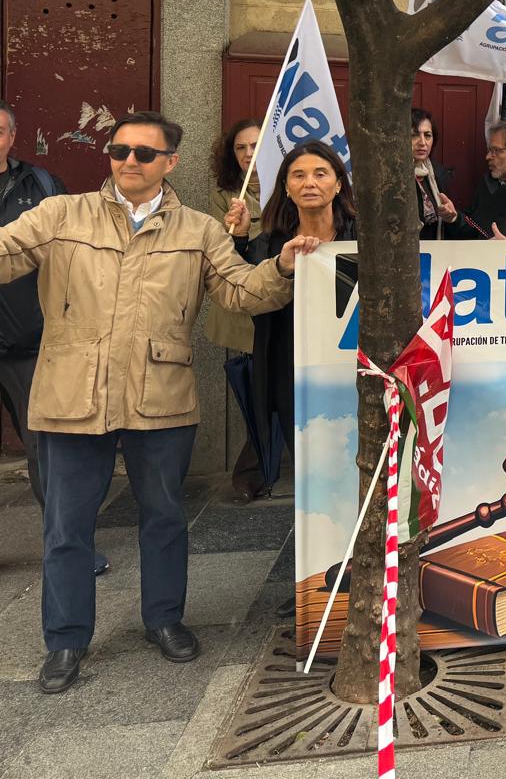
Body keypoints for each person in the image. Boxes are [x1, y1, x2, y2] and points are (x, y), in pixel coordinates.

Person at [0, 111, 318, 694]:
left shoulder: (199, 230)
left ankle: (164, 619)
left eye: (144, 153)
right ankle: (66, 638)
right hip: (72, 393)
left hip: (161, 395)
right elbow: (5, 252)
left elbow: (240, 291)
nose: (129, 161)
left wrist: (281, 267)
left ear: (171, 162)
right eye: (119, 150)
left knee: (166, 518)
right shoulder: (61, 214)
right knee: (67, 526)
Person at [0, 102, 108, 576]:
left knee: (47, 454)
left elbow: (71, 258)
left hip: (28, 343)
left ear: (12, 136)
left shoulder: (41, 186)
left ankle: (69, 550)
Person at [224, 141, 356, 497]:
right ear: (285, 187)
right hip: (291, 366)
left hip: (352, 366)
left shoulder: (361, 236)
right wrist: (239, 238)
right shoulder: (271, 243)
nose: (309, 182)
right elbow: (243, 288)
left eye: (320, 174)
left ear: (338, 184)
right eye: (298, 175)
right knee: (310, 466)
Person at [204, 118, 267, 501]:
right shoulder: (226, 196)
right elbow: (224, 251)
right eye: (241, 148)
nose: (248, 154)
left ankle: (259, 467)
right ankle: (252, 470)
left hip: (286, 304)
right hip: (245, 310)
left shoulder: (290, 186)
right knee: (255, 390)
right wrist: (241, 229)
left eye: (255, 146)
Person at [411, 108, 457, 239]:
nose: (422, 142)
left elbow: (452, 225)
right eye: (414, 135)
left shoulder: (438, 175)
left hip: (434, 249)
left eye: (427, 135)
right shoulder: (389, 176)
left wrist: (452, 218)